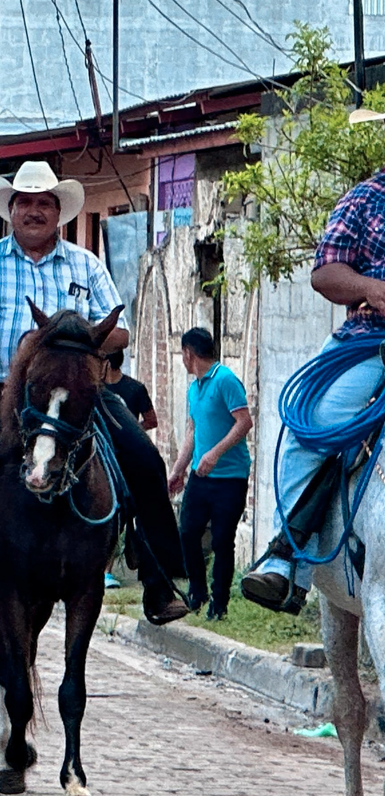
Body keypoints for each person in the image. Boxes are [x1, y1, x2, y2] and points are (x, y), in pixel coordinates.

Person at [0, 161, 189, 629]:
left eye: (44, 203)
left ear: (59, 212)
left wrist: (77, 334)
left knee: (144, 459)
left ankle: (160, 578)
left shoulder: (85, 265)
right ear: (10, 210)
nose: (34, 211)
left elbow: (122, 334)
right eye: (25, 202)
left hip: (77, 394)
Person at [239, 167, 385, 613]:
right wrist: (370, 288)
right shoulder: (367, 197)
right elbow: (326, 272)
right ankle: (287, 560)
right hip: (373, 341)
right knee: (313, 429)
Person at [166, 327, 252, 621]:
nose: (181, 359)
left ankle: (220, 603)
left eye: (181, 353)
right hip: (200, 477)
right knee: (187, 531)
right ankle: (197, 591)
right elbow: (193, 431)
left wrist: (215, 453)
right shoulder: (194, 388)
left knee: (222, 540)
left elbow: (244, 422)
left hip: (230, 476)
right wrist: (177, 471)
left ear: (189, 353)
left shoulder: (225, 380)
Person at [105, 349, 157, 430]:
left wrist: (131, 432)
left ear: (106, 364)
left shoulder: (136, 388)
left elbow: (151, 421)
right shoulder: (96, 388)